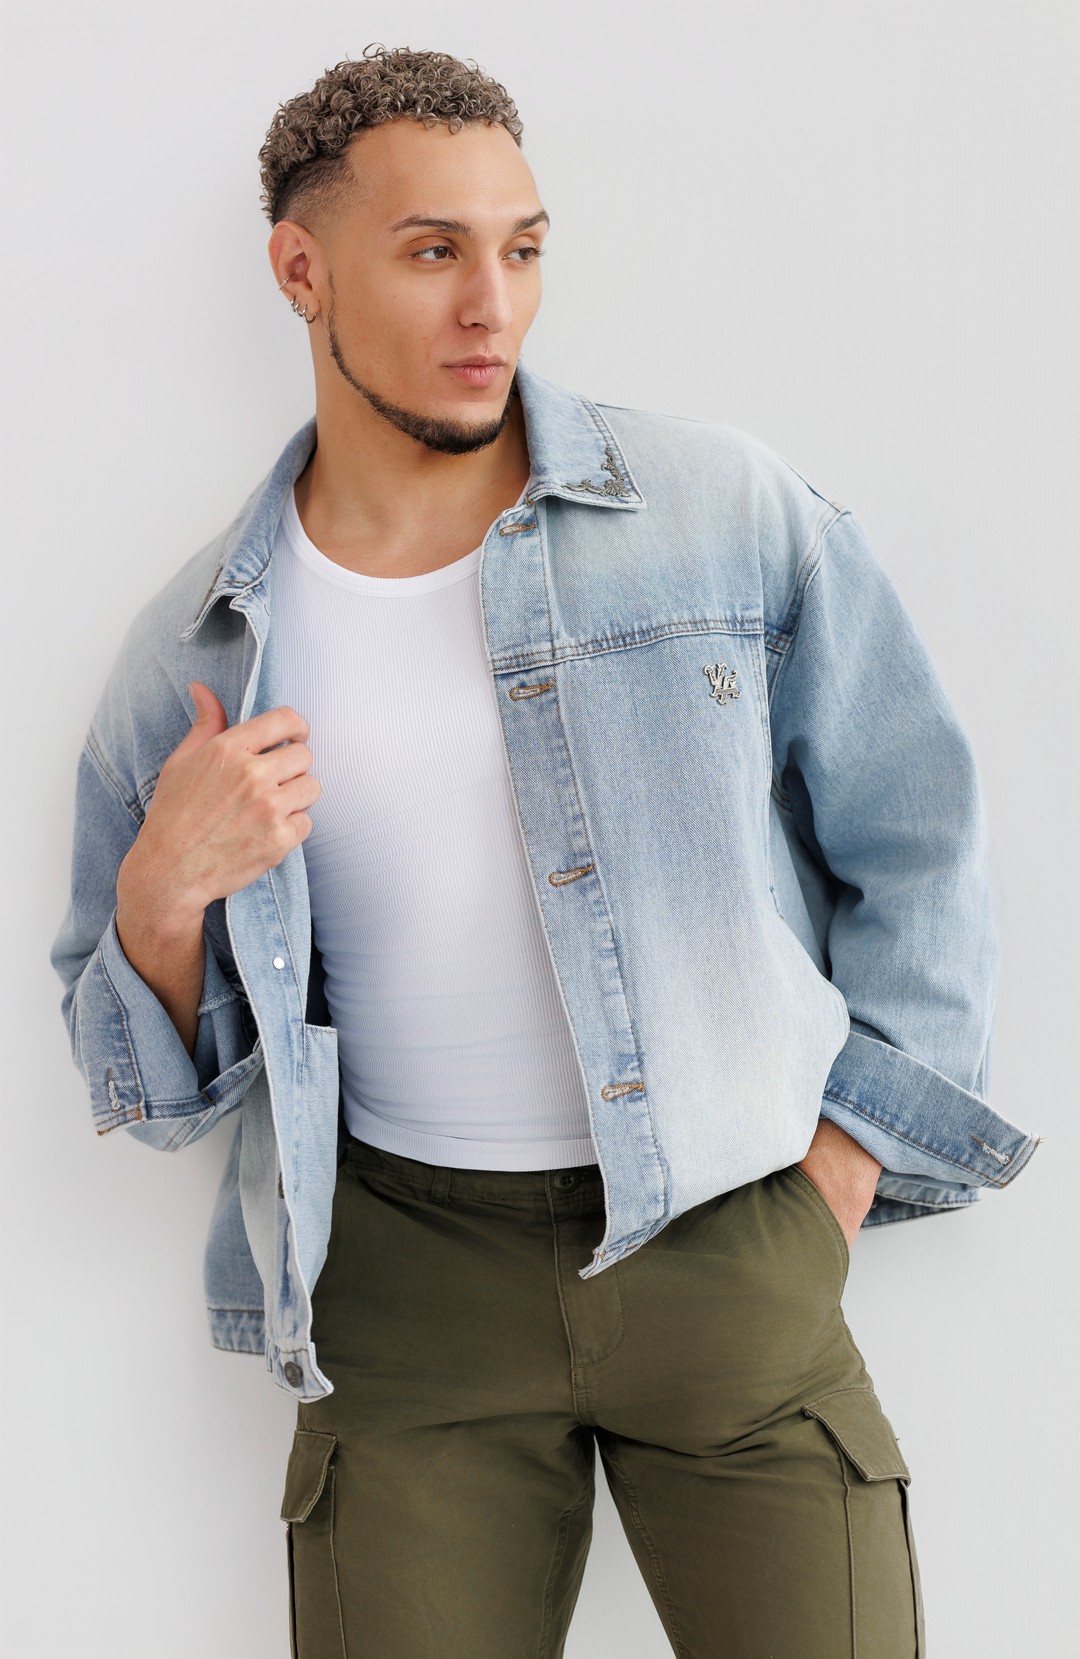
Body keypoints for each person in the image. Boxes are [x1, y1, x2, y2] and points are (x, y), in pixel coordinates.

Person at [51, 43, 1041, 1659]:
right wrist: (163, 886)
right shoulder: (203, 648)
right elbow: (149, 1097)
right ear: (301, 270)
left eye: (521, 248)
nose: (490, 307)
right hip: (406, 1299)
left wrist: (843, 1167)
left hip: (729, 1241)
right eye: (432, 250)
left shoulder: (721, 512)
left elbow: (918, 831)